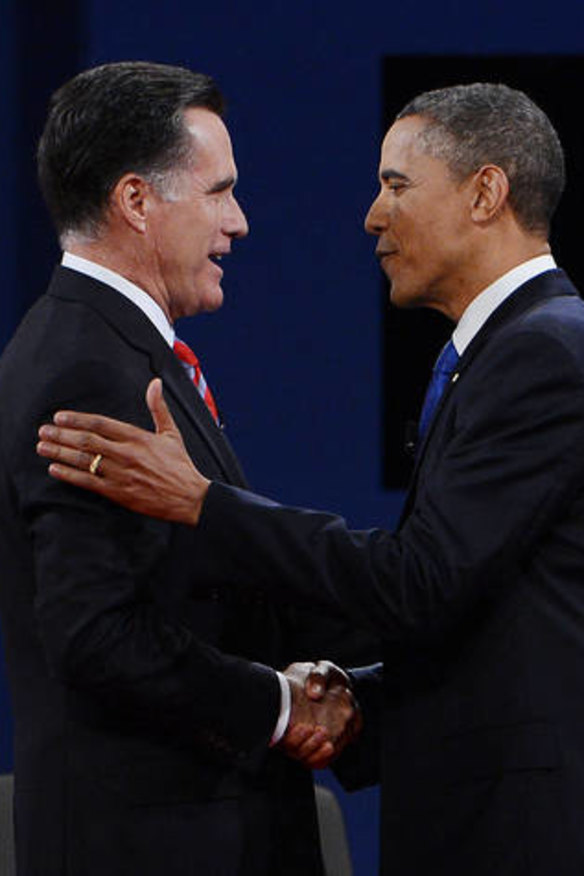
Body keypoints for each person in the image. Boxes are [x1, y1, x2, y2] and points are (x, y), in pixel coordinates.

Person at [38, 81, 584, 875]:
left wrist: (203, 505)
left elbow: (420, 582)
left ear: (486, 193)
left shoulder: (543, 356)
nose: (372, 214)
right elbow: (488, 614)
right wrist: (353, 699)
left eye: (397, 185)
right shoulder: (512, 352)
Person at [0, 61, 370, 876]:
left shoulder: (111, 349)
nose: (238, 222)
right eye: (218, 192)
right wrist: (277, 704)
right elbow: (94, 631)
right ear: (136, 201)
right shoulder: (84, 367)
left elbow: (196, 590)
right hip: (152, 843)